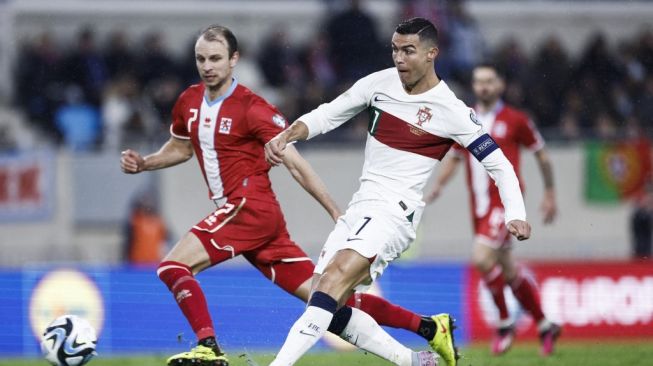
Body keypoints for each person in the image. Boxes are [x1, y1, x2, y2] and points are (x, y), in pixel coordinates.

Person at [121, 25, 449, 366]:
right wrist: (146, 163)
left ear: (234, 60)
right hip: (257, 221)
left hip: (248, 208)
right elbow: (180, 147)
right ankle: (425, 333)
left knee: (172, 266)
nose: (208, 66)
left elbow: (295, 164)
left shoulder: (252, 108)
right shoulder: (188, 100)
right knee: (327, 301)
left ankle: (207, 346)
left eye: (216, 58)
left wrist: (335, 211)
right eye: (201, 59)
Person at [265, 18, 530, 366]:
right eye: (395, 49)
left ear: (432, 53)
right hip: (361, 205)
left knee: (331, 284)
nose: (399, 58)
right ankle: (415, 361)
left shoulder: (452, 111)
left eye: (409, 51)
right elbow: (328, 114)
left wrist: (517, 214)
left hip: (394, 212)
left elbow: (500, 165)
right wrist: (289, 134)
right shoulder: (379, 84)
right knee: (325, 299)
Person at [425, 64, 561, 356]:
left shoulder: (516, 120)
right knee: (509, 269)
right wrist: (439, 185)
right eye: (478, 82)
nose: (483, 87)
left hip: (504, 205)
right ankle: (545, 324)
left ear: (500, 85)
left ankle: (503, 324)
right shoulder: (466, 118)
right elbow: (455, 157)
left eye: (489, 81)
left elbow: (542, 155)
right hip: (479, 207)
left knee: (482, 257)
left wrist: (549, 192)